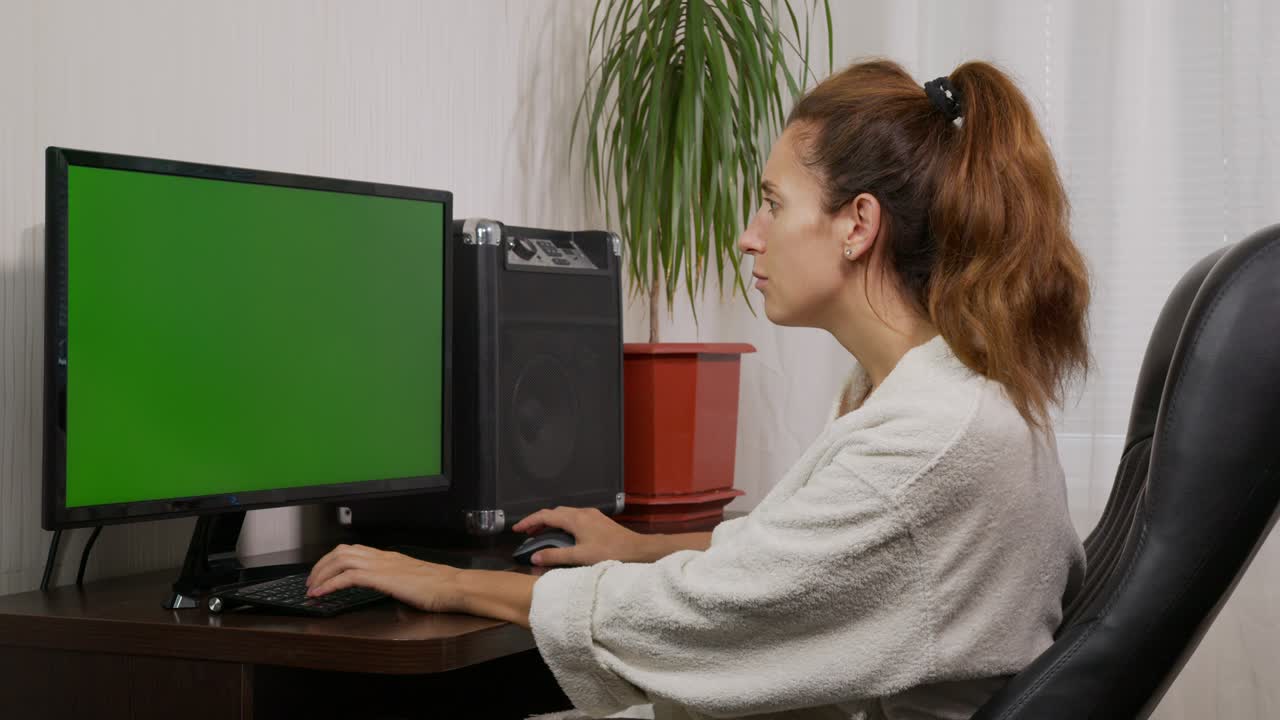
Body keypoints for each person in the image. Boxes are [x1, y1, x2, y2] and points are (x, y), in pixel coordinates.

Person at [305, 58, 1091, 720]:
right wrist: (641, 545)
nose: (749, 234)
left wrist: (450, 583)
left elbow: (711, 608)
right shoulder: (930, 394)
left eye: (773, 203)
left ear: (857, 225)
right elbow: (799, 555)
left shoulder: (930, 439)